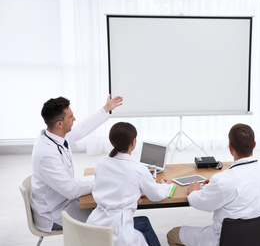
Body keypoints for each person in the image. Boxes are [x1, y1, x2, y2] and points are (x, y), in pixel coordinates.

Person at [166, 123, 260, 246]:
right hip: (259, 238)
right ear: (254, 144)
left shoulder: (223, 180)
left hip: (225, 240)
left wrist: (193, 191)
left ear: (230, 147)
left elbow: (201, 203)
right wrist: (215, 184)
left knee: (173, 234)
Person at [30, 95, 123, 232]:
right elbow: (71, 190)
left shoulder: (55, 135)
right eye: (71, 117)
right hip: (53, 214)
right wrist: (104, 180)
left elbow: (82, 129)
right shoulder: (46, 154)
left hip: (63, 201)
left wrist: (106, 108)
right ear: (59, 124)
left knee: (109, 210)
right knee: (111, 226)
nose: (74, 119)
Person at [87, 122, 171, 246]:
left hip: (95, 224)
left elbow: (112, 186)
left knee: (144, 222)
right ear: (133, 142)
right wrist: (166, 185)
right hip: (118, 232)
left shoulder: (101, 163)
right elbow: (156, 195)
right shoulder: (138, 169)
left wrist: (134, 193)